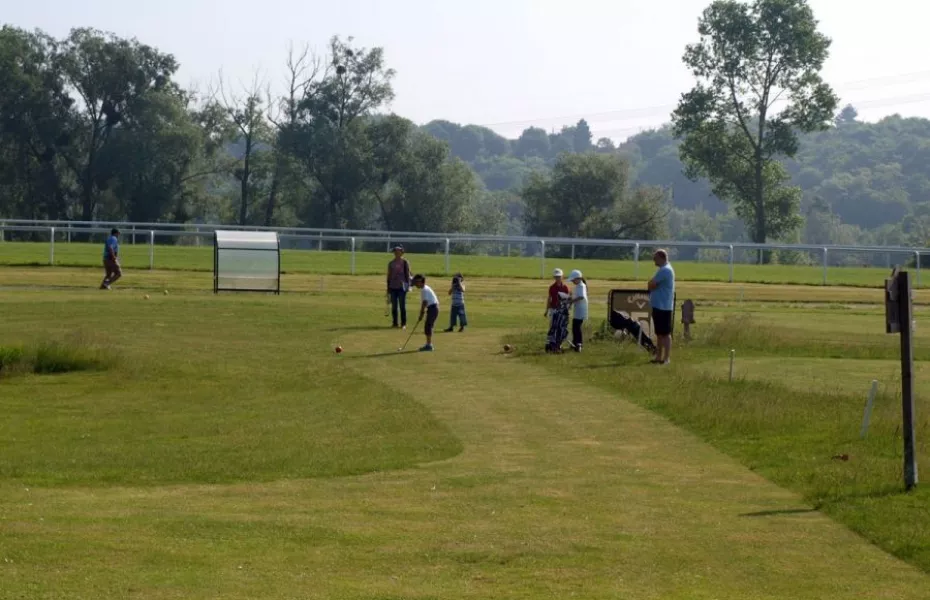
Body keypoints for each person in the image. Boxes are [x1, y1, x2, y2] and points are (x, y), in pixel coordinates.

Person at [647, 249, 676, 365]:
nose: (654, 261)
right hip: (659, 305)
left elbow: (651, 284)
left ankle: (666, 358)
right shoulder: (662, 270)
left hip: (663, 306)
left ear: (661, 257)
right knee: (659, 333)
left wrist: (650, 284)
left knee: (665, 333)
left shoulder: (665, 270)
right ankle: (659, 357)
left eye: (655, 258)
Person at [386, 245, 411, 329]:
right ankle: (395, 323)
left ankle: (403, 323)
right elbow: (389, 276)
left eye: (398, 251)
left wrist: (408, 286)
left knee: (402, 306)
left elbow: (407, 275)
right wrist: (388, 288)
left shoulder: (405, 262)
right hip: (393, 287)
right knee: (394, 306)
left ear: (402, 252)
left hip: (402, 287)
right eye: (395, 251)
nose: (397, 253)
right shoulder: (391, 263)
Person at [545, 268, 570, 353]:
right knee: (552, 327)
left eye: (559, 276)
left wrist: (567, 310)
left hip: (562, 310)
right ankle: (551, 343)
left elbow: (567, 300)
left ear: (562, 277)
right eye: (556, 277)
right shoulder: (552, 287)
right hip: (553, 309)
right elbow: (549, 299)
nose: (557, 278)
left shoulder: (565, 287)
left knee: (560, 328)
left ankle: (558, 344)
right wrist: (547, 310)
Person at [412, 274, 439, 352]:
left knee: (428, 326)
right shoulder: (424, 288)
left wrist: (421, 314)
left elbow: (425, 303)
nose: (415, 284)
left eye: (416, 282)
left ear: (421, 282)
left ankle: (429, 345)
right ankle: (428, 344)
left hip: (433, 308)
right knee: (428, 326)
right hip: (433, 308)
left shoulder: (424, 290)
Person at [566, 269, 588, 352]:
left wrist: (571, 301)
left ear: (578, 278)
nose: (572, 281)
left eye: (573, 280)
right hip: (578, 310)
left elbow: (581, 297)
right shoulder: (578, 286)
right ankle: (575, 343)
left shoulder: (581, 286)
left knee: (577, 327)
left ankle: (579, 343)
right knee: (575, 327)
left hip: (581, 311)